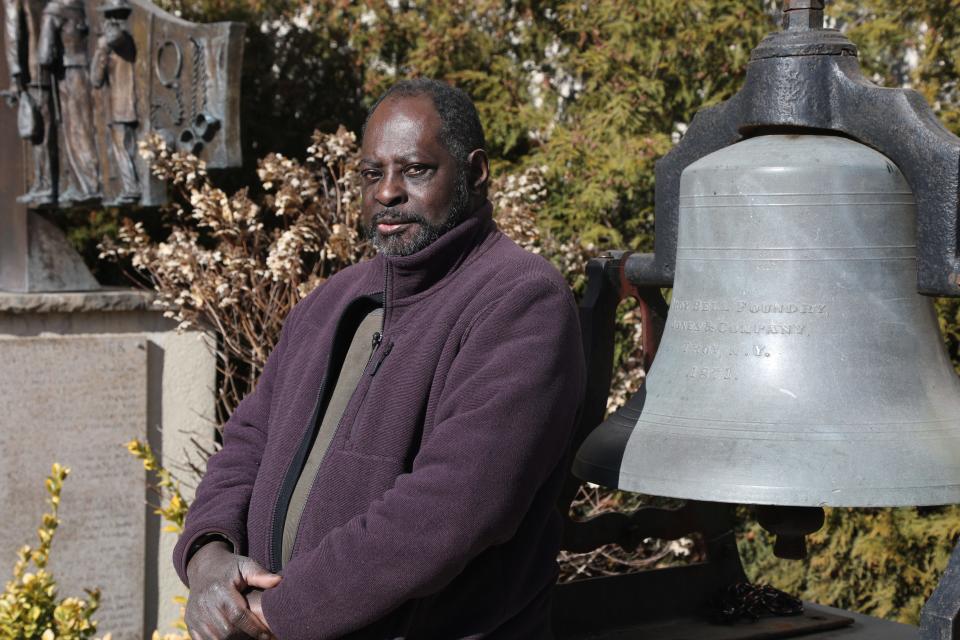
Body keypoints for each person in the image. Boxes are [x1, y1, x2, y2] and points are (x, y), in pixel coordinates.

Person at [173, 78, 585, 640]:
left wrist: (277, 615)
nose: (387, 192)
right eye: (372, 173)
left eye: (415, 170)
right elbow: (246, 442)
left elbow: (450, 509)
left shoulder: (521, 301)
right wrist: (208, 560)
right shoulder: (330, 301)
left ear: (475, 172)